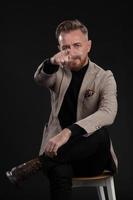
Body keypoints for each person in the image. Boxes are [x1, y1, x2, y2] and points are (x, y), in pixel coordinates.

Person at [6, 19, 118, 200]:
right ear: (59, 48)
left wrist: (68, 132)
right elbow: (41, 79)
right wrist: (52, 62)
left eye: (77, 45)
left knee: (101, 134)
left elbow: (108, 113)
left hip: (91, 157)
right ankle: (45, 162)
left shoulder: (104, 77)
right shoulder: (58, 72)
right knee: (58, 170)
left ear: (88, 46)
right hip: (58, 154)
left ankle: (36, 164)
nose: (71, 52)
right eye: (66, 47)